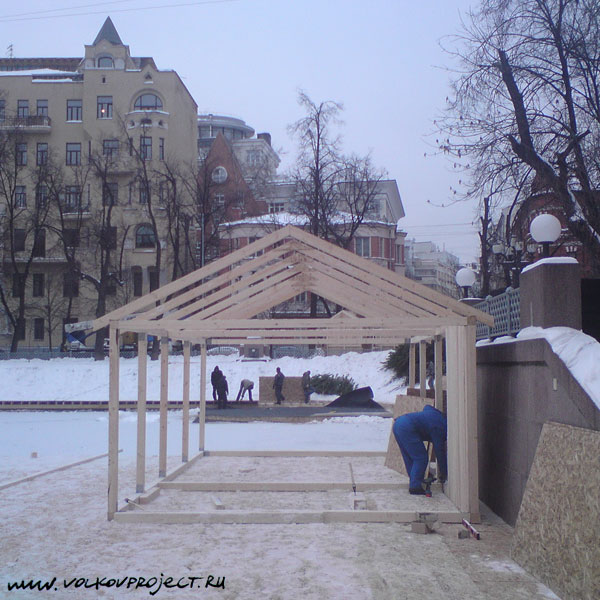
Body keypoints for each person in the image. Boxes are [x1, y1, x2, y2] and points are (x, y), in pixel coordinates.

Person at [392, 405, 447, 495]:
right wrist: (444, 473)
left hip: (398, 423)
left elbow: (427, 407)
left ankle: (414, 481)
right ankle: (415, 487)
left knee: (410, 457)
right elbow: (439, 452)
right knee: (421, 458)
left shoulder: (436, 414)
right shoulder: (440, 429)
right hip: (407, 427)